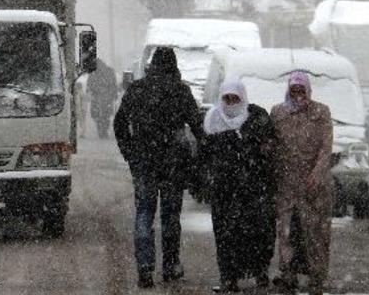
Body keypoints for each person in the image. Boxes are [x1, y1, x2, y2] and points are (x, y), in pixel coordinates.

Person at [114, 47, 204, 289]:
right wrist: (204, 153)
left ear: (152, 65)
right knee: (170, 216)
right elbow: (196, 125)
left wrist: (129, 152)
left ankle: (145, 267)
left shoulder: (137, 89)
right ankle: (170, 265)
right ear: (174, 66)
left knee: (144, 213)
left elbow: (120, 123)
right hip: (173, 163)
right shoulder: (181, 91)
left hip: (143, 160)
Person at [199, 79, 276, 293]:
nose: (231, 103)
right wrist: (205, 181)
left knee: (258, 233)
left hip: (252, 189)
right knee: (225, 235)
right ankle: (229, 277)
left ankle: (260, 272)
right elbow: (204, 155)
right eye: (227, 98)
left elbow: (268, 147)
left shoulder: (257, 117)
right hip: (224, 191)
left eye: (236, 98)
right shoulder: (212, 121)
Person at [270, 71, 333, 295]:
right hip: (286, 184)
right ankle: (287, 274)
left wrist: (316, 174)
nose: (298, 95)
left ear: (308, 90)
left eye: (301, 90)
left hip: (313, 187)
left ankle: (317, 277)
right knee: (286, 232)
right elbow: (272, 145)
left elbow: (326, 148)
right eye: (294, 90)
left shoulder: (321, 112)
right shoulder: (278, 112)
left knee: (315, 234)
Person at [87, 58, 118, 139]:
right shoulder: (108, 71)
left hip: (102, 98)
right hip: (104, 98)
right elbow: (114, 84)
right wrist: (114, 94)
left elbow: (90, 84)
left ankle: (102, 130)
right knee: (104, 116)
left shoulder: (95, 72)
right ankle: (103, 130)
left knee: (101, 116)